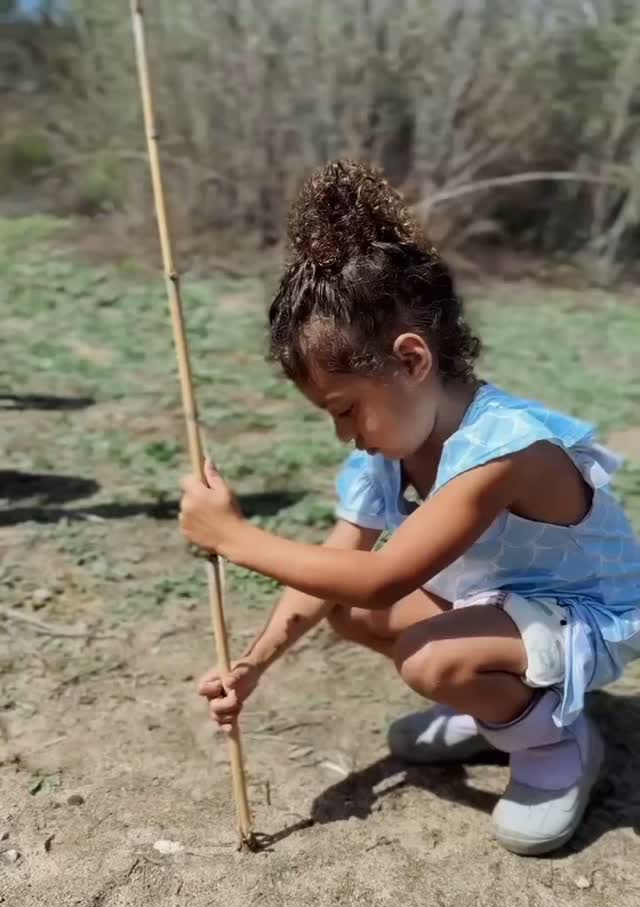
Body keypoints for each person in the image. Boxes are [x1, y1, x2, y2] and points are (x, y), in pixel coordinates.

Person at [179, 160, 640, 856]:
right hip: (502, 602)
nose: (345, 433)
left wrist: (234, 536)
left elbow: (385, 576)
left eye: (344, 409)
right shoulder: (389, 444)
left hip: (588, 618)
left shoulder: (505, 450)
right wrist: (252, 664)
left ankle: (554, 741)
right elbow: (338, 569)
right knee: (346, 604)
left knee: (427, 658)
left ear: (412, 360)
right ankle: (500, 710)